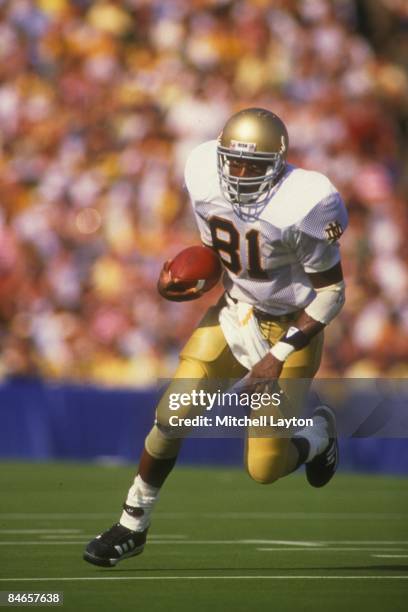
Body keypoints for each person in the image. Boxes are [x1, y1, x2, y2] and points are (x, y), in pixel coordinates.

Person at [83, 107, 348, 567]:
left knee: (264, 469)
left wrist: (280, 352)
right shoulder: (204, 171)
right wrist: (183, 281)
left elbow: (332, 294)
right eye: (235, 162)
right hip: (236, 314)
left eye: (254, 166)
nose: (241, 175)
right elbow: (217, 249)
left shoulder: (306, 201)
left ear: (279, 163)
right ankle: (132, 524)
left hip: (290, 328)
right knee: (171, 415)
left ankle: (318, 436)